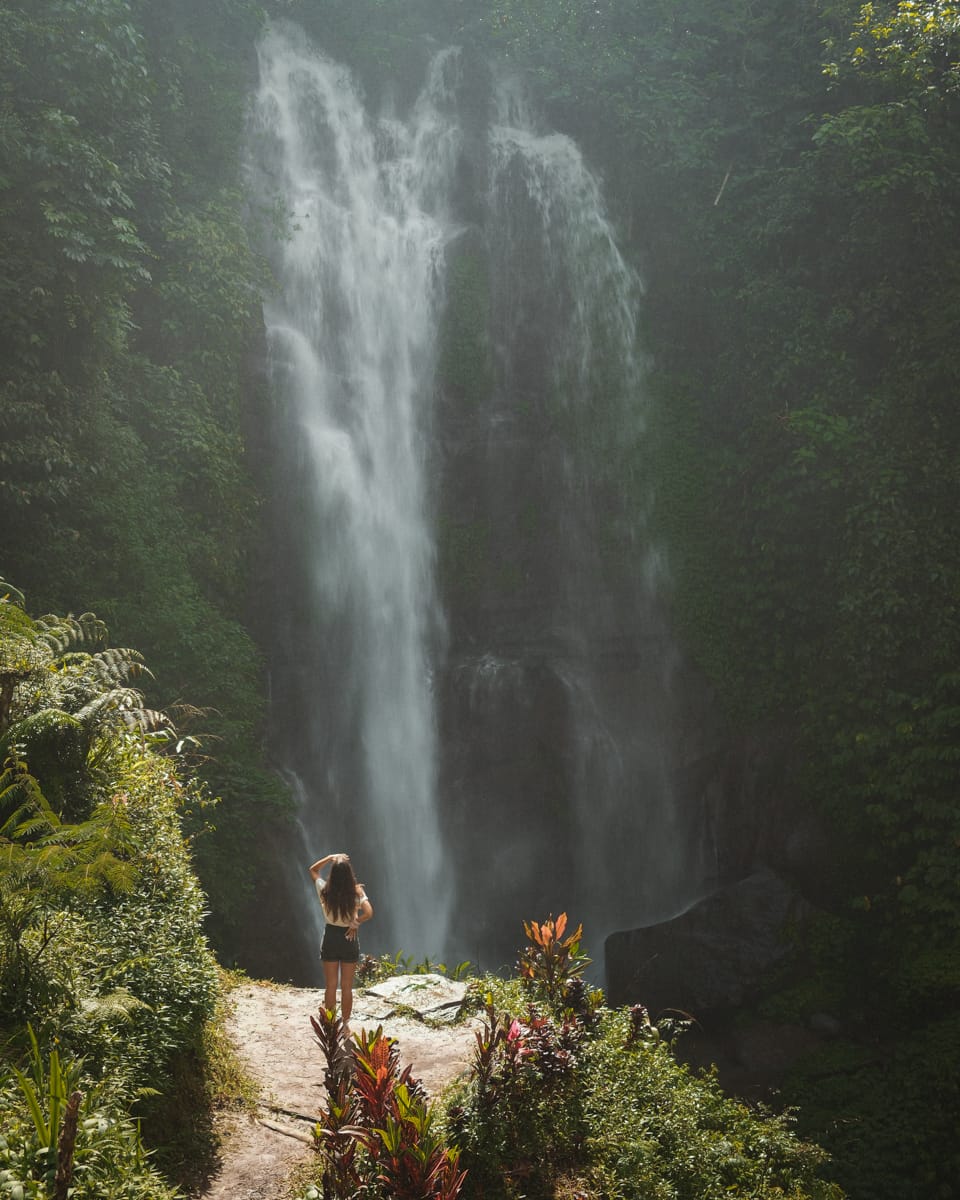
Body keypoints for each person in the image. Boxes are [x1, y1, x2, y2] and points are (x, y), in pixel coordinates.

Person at [308, 852, 373, 1033]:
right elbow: (369, 912)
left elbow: (313, 870)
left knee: (330, 985)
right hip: (348, 937)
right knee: (346, 987)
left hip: (330, 937)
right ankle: (345, 1025)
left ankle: (330, 1025)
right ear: (349, 874)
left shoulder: (324, 890)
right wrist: (356, 922)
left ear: (333, 874)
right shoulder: (356, 892)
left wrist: (330, 858)